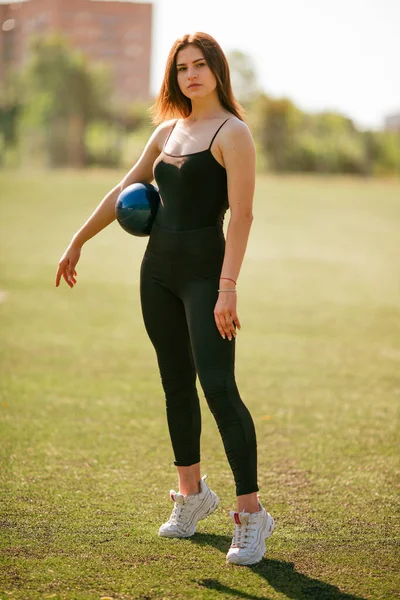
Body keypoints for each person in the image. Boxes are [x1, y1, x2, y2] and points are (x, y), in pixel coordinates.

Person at [55, 32, 274, 566]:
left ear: (217, 71)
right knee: (176, 385)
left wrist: (227, 287)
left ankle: (251, 515)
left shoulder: (233, 132)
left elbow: (242, 216)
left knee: (219, 388)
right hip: (156, 273)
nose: (190, 75)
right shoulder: (168, 131)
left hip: (205, 275)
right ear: (173, 76)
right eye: (181, 68)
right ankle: (191, 496)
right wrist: (79, 239)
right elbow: (122, 190)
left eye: (200, 65)